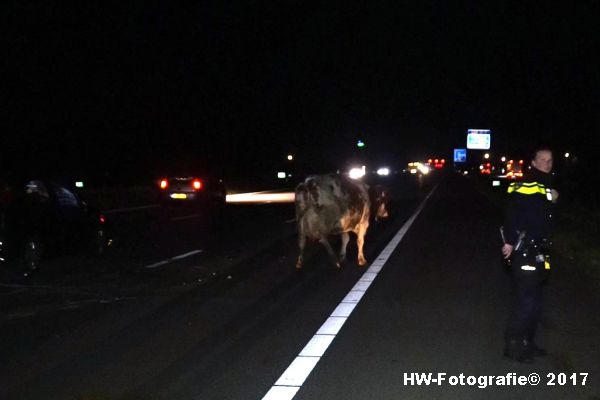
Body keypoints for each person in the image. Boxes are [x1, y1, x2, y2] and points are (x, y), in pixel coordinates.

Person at [501, 147, 558, 363]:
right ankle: (513, 345)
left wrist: (551, 197)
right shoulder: (529, 184)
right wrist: (508, 241)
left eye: (550, 160)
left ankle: (528, 342)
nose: (546, 163)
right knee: (526, 301)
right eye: (542, 160)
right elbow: (512, 214)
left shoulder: (546, 185)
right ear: (533, 162)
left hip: (541, 253)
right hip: (525, 251)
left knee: (535, 302)